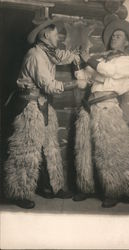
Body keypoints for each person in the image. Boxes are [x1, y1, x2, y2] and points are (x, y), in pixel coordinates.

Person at [4, 19, 80, 209]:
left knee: (51, 147)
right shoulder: (36, 55)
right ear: (46, 36)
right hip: (29, 107)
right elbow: (49, 85)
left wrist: (77, 56)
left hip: (43, 104)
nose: (59, 38)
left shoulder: (48, 51)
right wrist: (74, 84)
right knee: (26, 150)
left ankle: (51, 187)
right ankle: (18, 193)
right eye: (56, 35)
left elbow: (61, 56)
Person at [73, 20, 129, 207]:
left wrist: (90, 60)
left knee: (110, 151)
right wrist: (78, 65)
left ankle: (114, 191)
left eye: (118, 36)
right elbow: (84, 80)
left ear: (126, 43)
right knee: (84, 149)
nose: (113, 38)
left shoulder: (127, 61)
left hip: (107, 108)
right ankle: (85, 187)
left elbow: (109, 72)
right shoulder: (101, 59)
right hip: (89, 107)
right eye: (113, 36)